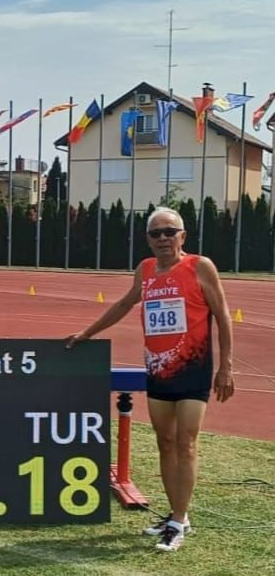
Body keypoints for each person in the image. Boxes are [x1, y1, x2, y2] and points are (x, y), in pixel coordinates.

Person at [66, 206, 234, 552]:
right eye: (155, 233)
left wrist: (226, 366)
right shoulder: (144, 270)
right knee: (165, 443)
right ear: (148, 239)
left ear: (182, 236)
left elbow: (222, 314)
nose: (162, 239)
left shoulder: (199, 266)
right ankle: (178, 515)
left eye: (169, 232)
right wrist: (88, 332)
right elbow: (124, 305)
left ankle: (177, 522)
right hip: (158, 370)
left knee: (186, 442)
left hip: (194, 368)